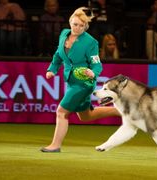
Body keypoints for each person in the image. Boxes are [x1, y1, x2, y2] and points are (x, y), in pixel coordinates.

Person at [41, 7, 121, 152]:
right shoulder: (64, 34)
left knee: (61, 112)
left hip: (84, 83)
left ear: (86, 26)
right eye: (75, 24)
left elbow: (97, 64)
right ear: (70, 22)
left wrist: (93, 72)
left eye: (81, 25)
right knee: (86, 116)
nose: (77, 28)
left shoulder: (91, 42)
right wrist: (52, 70)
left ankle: (55, 146)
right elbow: (58, 55)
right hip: (71, 82)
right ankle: (120, 111)